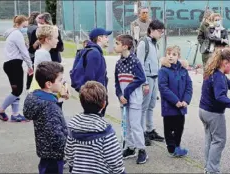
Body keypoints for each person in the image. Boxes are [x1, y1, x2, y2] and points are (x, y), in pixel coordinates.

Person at [199, 47, 230, 173]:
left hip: (204, 111)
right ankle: (212, 170)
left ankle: (208, 168)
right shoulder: (218, 76)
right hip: (213, 114)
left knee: (210, 140)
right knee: (219, 141)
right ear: (225, 63)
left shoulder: (216, 73)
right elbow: (220, 97)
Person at [65, 81, 125, 173]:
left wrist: (73, 167)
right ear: (104, 104)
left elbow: (69, 153)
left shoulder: (73, 126)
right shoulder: (105, 130)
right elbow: (114, 161)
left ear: (81, 102)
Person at [23, 61, 68, 174]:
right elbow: (55, 134)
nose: (62, 83)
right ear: (49, 84)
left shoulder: (37, 99)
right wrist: (68, 146)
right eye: (60, 80)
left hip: (45, 151)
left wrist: (60, 99)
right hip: (54, 154)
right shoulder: (49, 106)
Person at [114, 34, 148, 164]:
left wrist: (127, 92)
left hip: (134, 99)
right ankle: (130, 147)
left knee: (135, 125)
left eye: (117, 43)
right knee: (126, 124)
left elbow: (141, 78)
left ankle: (141, 149)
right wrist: (119, 95)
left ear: (125, 46)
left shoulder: (135, 61)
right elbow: (117, 83)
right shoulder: (118, 63)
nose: (115, 46)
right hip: (123, 100)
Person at [0, 15, 33, 122]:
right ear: (18, 24)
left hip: (12, 64)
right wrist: (30, 66)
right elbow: (24, 52)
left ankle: (15, 114)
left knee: (16, 90)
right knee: (17, 91)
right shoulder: (17, 34)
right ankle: (1, 110)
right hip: (14, 64)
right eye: (24, 26)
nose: (26, 28)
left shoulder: (13, 34)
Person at [158, 46, 193, 157]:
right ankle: (171, 147)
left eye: (173, 54)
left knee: (179, 127)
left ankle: (177, 147)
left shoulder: (183, 70)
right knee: (169, 128)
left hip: (181, 106)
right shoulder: (163, 70)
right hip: (169, 106)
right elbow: (163, 88)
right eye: (168, 54)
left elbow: (189, 86)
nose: (170, 56)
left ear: (178, 56)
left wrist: (186, 100)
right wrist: (175, 101)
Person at [137, 19, 165, 146]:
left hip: (155, 77)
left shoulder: (155, 44)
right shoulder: (143, 43)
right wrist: (144, 83)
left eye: (162, 32)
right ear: (152, 30)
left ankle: (149, 129)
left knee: (151, 105)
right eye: (159, 31)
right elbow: (140, 63)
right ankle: (142, 131)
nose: (161, 34)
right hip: (147, 78)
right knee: (144, 106)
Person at [70, 28, 111, 114]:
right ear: (99, 38)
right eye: (106, 37)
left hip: (93, 96)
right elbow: (90, 78)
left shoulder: (91, 51)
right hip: (95, 98)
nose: (108, 39)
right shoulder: (94, 54)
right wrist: (97, 97)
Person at [29, 25, 59, 91]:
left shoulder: (43, 52)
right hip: (40, 90)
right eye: (56, 38)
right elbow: (48, 75)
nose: (58, 40)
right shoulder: (43, 54)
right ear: (47, 40)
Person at [26, 11, 40, 91]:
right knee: (34, 69)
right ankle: (30, 85)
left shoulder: (29, 27)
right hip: (34, 50)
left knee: (31, 68)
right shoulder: (35, 28)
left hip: (31, 50)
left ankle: (28, 85)